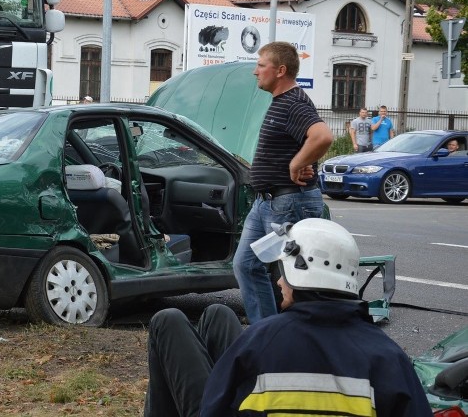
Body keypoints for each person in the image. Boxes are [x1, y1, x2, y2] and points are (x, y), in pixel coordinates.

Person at [144, 218, 433, 417]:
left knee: (167, 320)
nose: (279, 283)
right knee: (218, 314)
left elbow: (213, 409)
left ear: (300, 273)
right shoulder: (388, 357)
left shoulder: (259, 342)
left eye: (281, 273)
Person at [233, 42, 333, 324]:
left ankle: (304, 339)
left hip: (289, 204)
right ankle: (267, 332)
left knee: (297, 280)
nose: (255, 72)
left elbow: (323, 136)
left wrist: (296, 163)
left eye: (261, 65)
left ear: (280, 70)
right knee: (246, 265)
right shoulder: (281, 101)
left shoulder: (293, 102)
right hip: (268, 203)